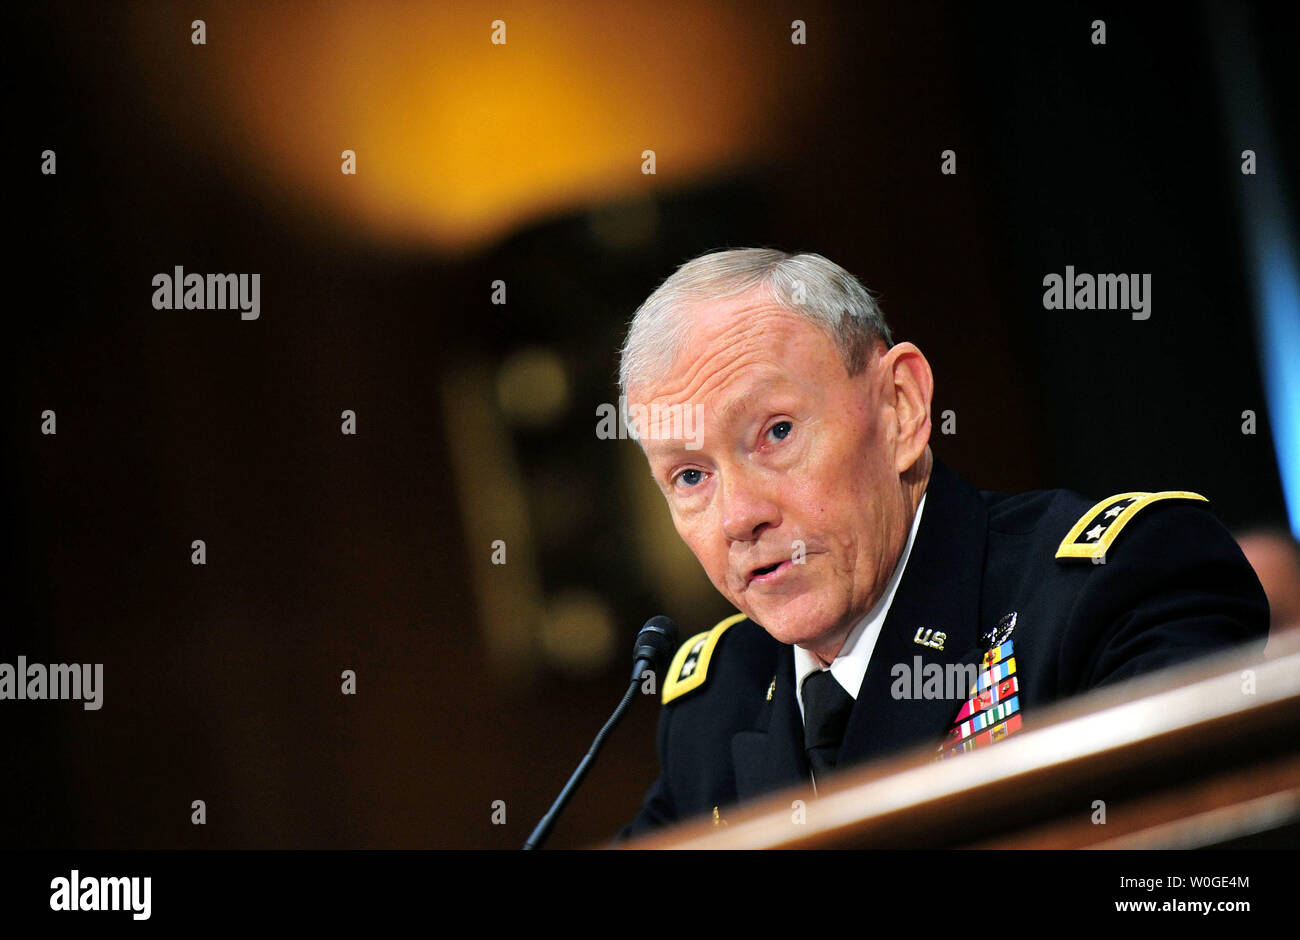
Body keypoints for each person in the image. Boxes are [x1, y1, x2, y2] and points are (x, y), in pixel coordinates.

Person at [615, 248, 1269, 838]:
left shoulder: (1114, 586)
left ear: (900, 408)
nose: (739, 517)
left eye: (777, 433)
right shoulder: (713, 705)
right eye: (691, 476)